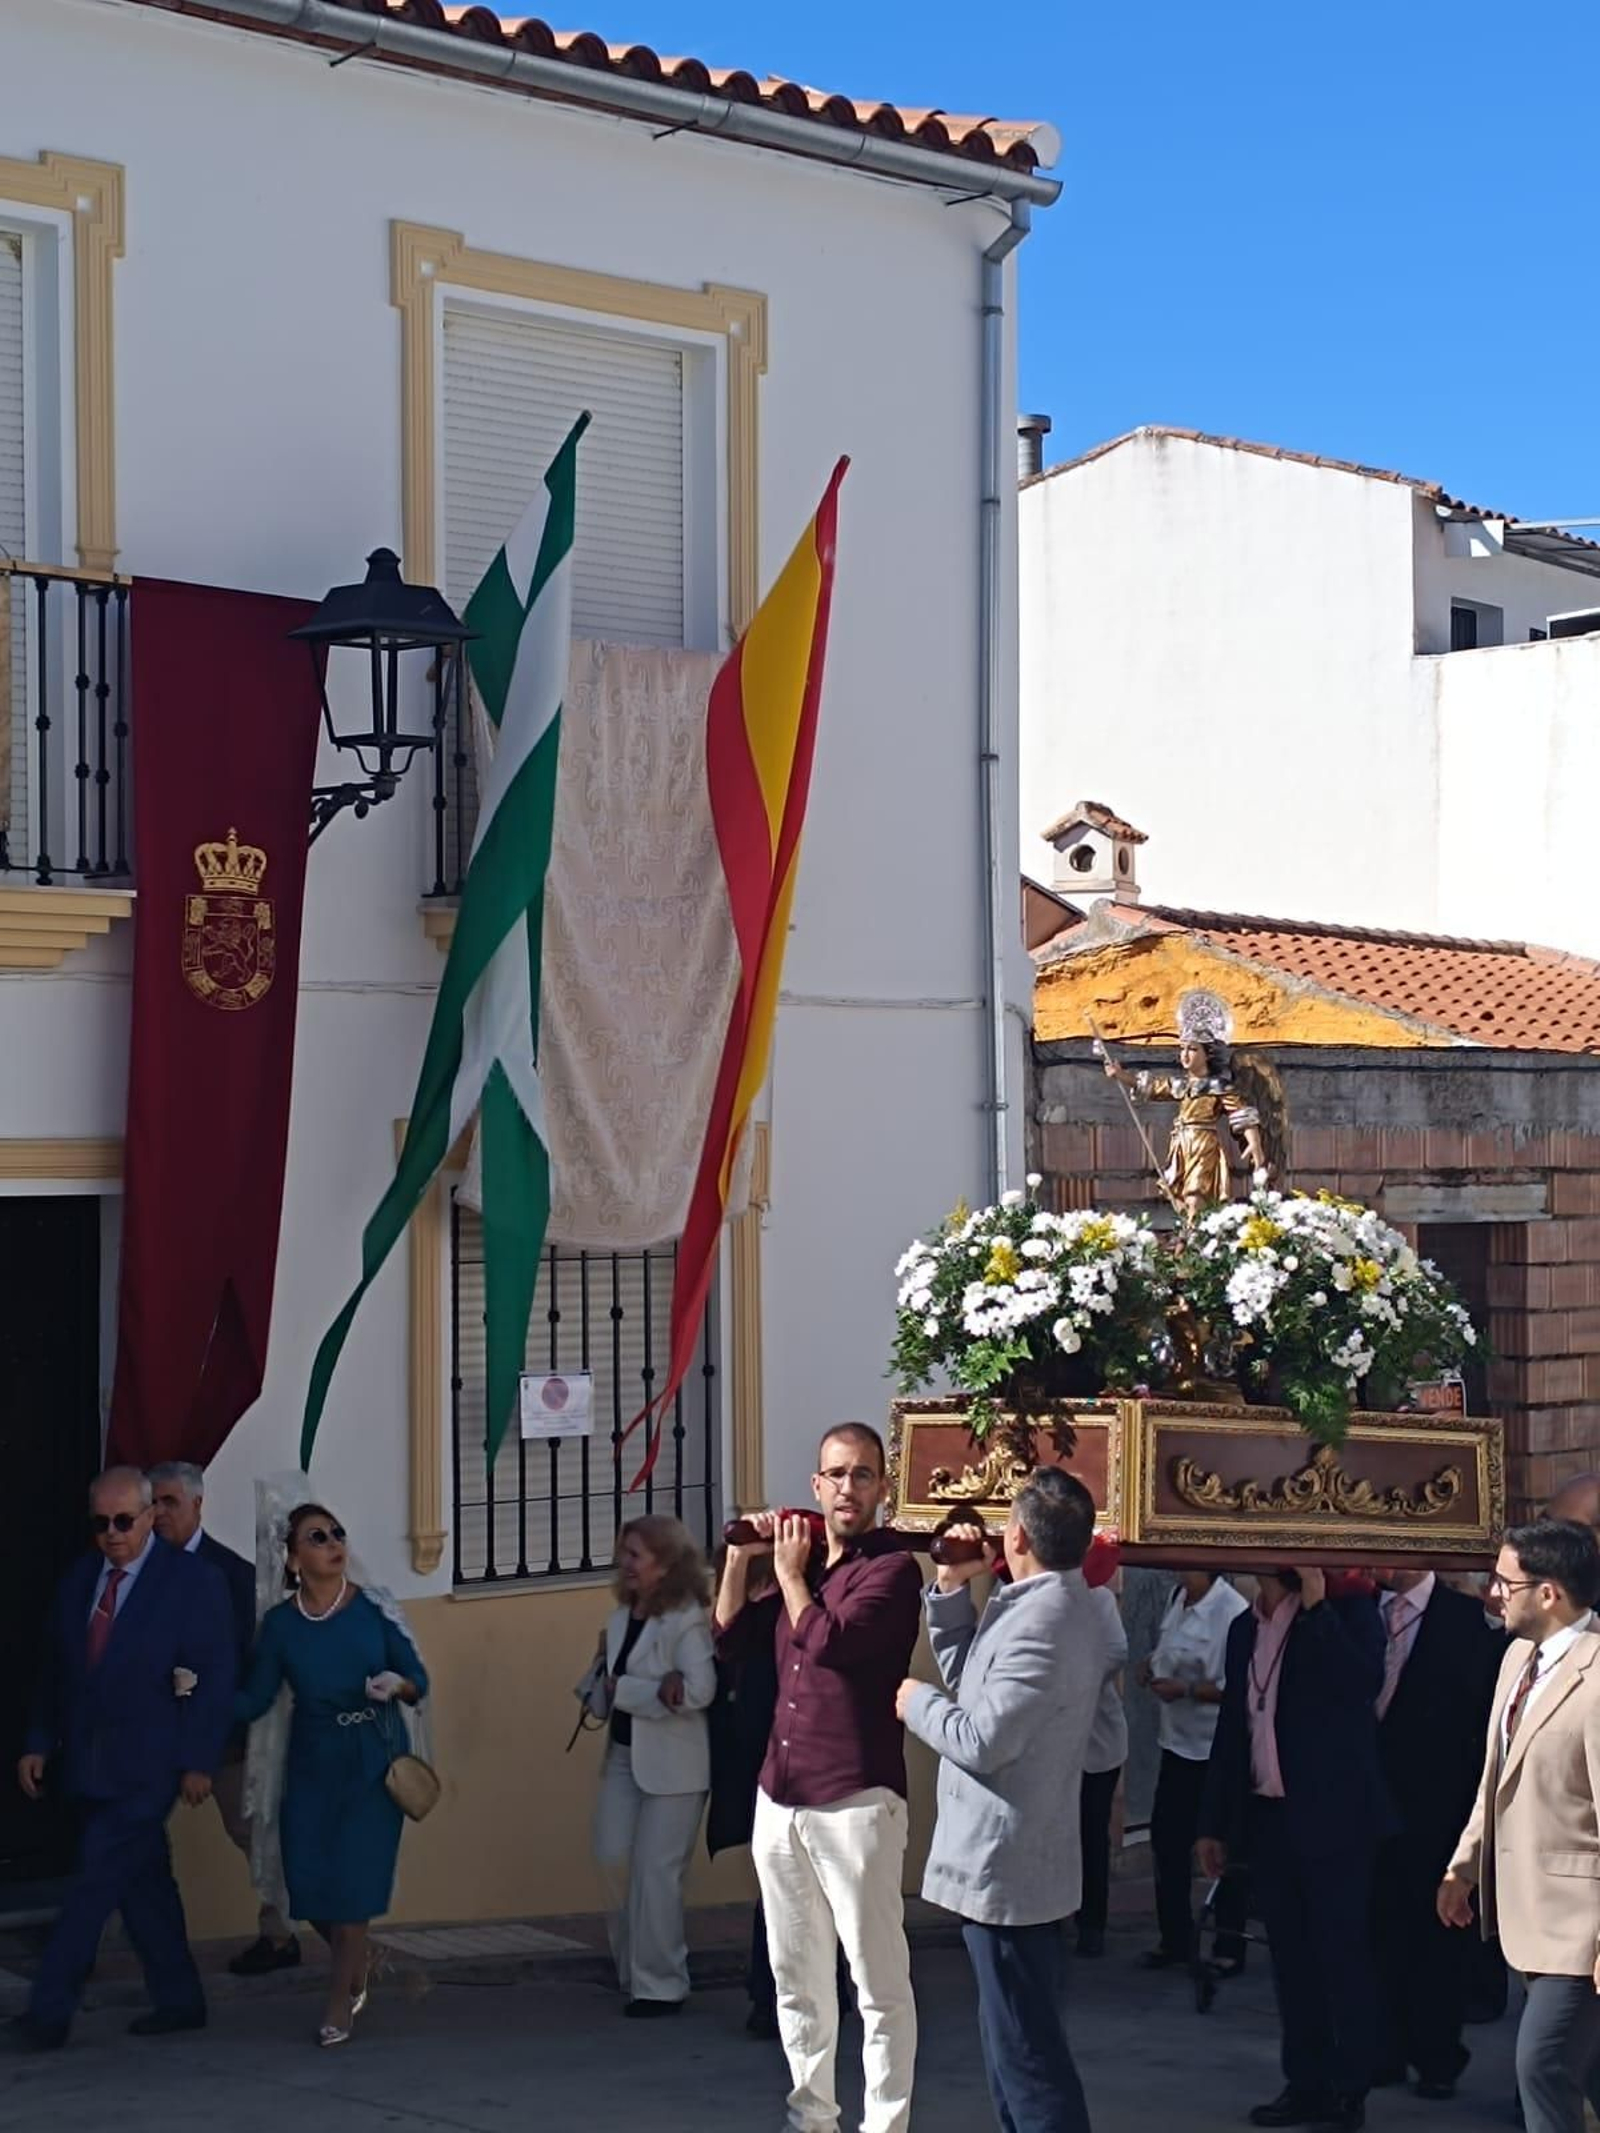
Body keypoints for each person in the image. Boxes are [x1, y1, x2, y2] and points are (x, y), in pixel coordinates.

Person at [714, 1422, 923, 2133]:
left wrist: (790, 1574)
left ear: (882, 1487)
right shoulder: (802, 1566)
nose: (847, 1488)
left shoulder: (892, 1571)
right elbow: (730, 1637)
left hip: (855, 1797)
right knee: (795, 1975)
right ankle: (812, 2117)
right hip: (782, 1795)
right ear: (816, 1484)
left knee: (876, 1981)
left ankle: (885, 2124)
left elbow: (830, 1643)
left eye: (862, 1474)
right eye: (836, 1474)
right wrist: (741, 1557)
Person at [895, 1468, 1102, 2133]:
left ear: (1016, 1537)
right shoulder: (1035, 1603)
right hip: (1009, 1869)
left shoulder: (1045, 1619)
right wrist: (951, 1591)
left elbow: (982, 1740)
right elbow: (977, 1686)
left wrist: (916, 1703)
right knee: (1012, 2048)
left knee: (1027, 2058)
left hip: (1010, 1870)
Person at [7, 1467, 235, 2051]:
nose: (112, 1533)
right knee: (144, 1885)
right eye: (101, 1523)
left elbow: (215, 1678)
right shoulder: (81, 1579)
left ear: (150, 1517)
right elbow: (57, 1670)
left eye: (124, 1521)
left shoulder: (191, 1581)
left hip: (151, 1763)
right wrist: (38, 1741)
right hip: (89, 1761)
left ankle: (49, 2012)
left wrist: (199, 1761)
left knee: (92, 1882)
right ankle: (180, 2000)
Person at [1198, 1566, 1390, 2133]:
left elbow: (1360, 1685)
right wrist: (1214, 1824)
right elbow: (1233, 1728)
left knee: (1341, 1957)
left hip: (1335, 1820)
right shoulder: (1243, 1627)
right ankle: (1304, 2083)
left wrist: (1317, 1606)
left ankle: (1349, 2088)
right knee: (1291, 1961)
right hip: (1270, 1817)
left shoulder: (1349, 1614)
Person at [234, 1500, 428, 2049]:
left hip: (373, 1755)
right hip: (314, 1758)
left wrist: (397, 1684)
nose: (333, 1543)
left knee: (354, 1886)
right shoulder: (281, 1625)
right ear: (294, 1560)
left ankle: (341, 1997)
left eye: (337, 1533)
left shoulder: (374, 1607)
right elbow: (255, 1699)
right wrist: (195, 1698)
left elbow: (417, 1678)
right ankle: (356, 1957)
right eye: (317, 1537)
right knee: (308, 1884)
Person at [1440, 1519, 1600, 2133]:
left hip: (1579, 1929)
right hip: (1527, 1917)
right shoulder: (1515, 1661)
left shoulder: (1595, 1678)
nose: (1493, 1594)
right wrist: (1463, 1867)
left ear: (1549, 1592)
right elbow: (1495, 1780)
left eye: (1505, 1583)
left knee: (1543, 2067)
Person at [149, 1458, 299, 1977]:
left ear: (197, 1504)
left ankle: (283, 1935)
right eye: (153, 1503)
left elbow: (248, 1663)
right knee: (127, 1836)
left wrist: (215, 1735)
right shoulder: (138, 1571)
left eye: (170, 1502)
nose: (159, 1513)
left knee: (255, 1837)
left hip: (223, 1736)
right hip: (154, 1734)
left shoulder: (232, 1575)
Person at [1370, 1563, 1501, 2100]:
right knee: (1377, 1930)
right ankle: (1381, 2049)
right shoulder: (1358, 1612)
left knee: (1437, 1934)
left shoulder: (1467, 1621)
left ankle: (1437, 2054)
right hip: (1369, 1802)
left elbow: (1483, 1720)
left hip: (1440, 1805)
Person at [592, 1514, 717, 2018]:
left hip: (675, 1767)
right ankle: (632, 1969)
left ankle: (661, 1983)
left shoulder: (685, 1620)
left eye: (635, 1555)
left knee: (656, 1873)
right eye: (623, 1554)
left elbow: (699, 1691)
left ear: (665, 1564)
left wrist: (625, 1690)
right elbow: (615, 1684)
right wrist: (606, 1684)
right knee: (612, 1857)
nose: (625, 1564)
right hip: (623, 1756)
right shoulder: (620, 1618)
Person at [1137, 1569, 1250, 1973]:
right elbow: (1169, 1650)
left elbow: (1236, 1689)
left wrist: (1186, 1690)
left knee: (1223, 1848)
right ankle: (1175, 1938)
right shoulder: (1177, 1598)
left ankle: (1228, 1945)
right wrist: (1151, 1666)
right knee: (1167, 1842)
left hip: (1212, 1749)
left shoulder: (1231, 1611)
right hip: (1175, 1743)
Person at [1073, 1580, 1127, 1958]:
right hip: (1046, 1745)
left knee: (1091, 1832)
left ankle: (1092, 1923)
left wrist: (1066, 1674)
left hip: (1096, 1745)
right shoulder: (1011, 1591)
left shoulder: (1098, 1597)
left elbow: (1115, 1652)